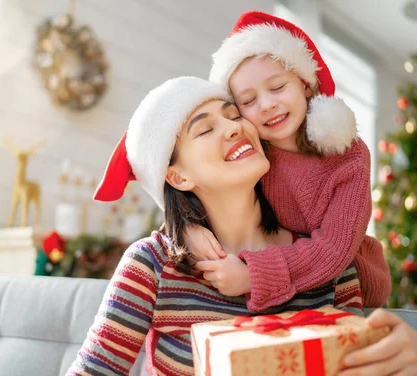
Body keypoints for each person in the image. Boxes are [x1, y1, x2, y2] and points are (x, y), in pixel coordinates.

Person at [66, 76, 362, 376]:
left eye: (234, 115)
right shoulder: (153, 263)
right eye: (206, 129)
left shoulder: (328, 257)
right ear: (178, 177)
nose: (236, 127)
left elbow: (358, 364)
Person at [185, 10, 391, 311]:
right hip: (288, 280)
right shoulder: (253, 159)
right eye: (249, 100)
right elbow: (213, 194)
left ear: (305, 84)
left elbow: (334, 250)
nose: (268, 105)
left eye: (278, 87)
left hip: (350, 284)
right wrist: (188, 228)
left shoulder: (348, 154)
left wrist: (254, 275)